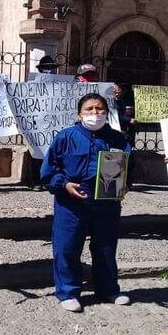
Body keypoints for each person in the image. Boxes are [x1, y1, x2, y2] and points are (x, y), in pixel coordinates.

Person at [41, 93, 133, 313]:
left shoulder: (118, 139)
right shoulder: (66, 137)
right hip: (71, 203)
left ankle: (108, 289)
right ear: (79, 114)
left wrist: (125, 185)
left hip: (106, 203)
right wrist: (64, 185)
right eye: (89, 109)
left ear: (107, 112)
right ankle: (68, 292)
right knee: (67, 247)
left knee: (105, 248)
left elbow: (129, 167)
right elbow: (48, 171)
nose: (95, 113)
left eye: (99, 109)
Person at [27, 56, 61, 190]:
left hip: (55, 124)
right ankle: (36, 181)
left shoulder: (61, 85)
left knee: (53, 155)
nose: (49, 71)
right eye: (47, 68)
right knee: (36, 155)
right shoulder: (32, 84)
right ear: (41, 70)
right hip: (36, 124)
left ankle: (49, 180)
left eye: (52, 68)